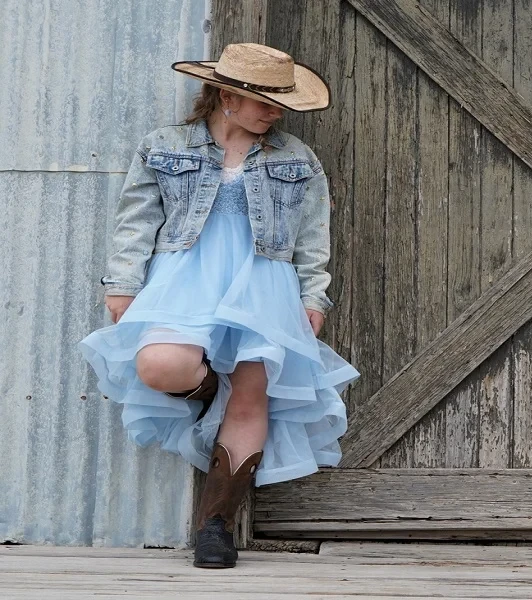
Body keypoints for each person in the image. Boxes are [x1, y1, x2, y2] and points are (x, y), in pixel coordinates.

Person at [78, 43, 359, 568]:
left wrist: (311, 296)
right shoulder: (164, 145)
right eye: (265, 100)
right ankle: (212, 390)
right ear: (228, 94)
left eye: (280, 101)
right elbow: (136, 220)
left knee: (253, 399)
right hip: (181, 279)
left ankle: (215, 529)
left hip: (263, 283)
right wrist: (123, 283)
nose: (276, 111)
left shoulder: (296, 157)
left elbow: (312, 236)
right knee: (160, 365)